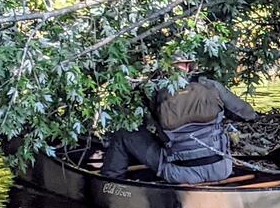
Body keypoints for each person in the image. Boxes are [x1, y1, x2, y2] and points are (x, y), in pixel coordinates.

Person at [99, 53, 256, 184]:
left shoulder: (155, 91)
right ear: (188, 66)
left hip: (180, 173)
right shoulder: (212, 87)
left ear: (165, 67)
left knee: (124, 133)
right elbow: (248, 114)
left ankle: (109, 185)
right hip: (220, 169)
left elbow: (149, 123)